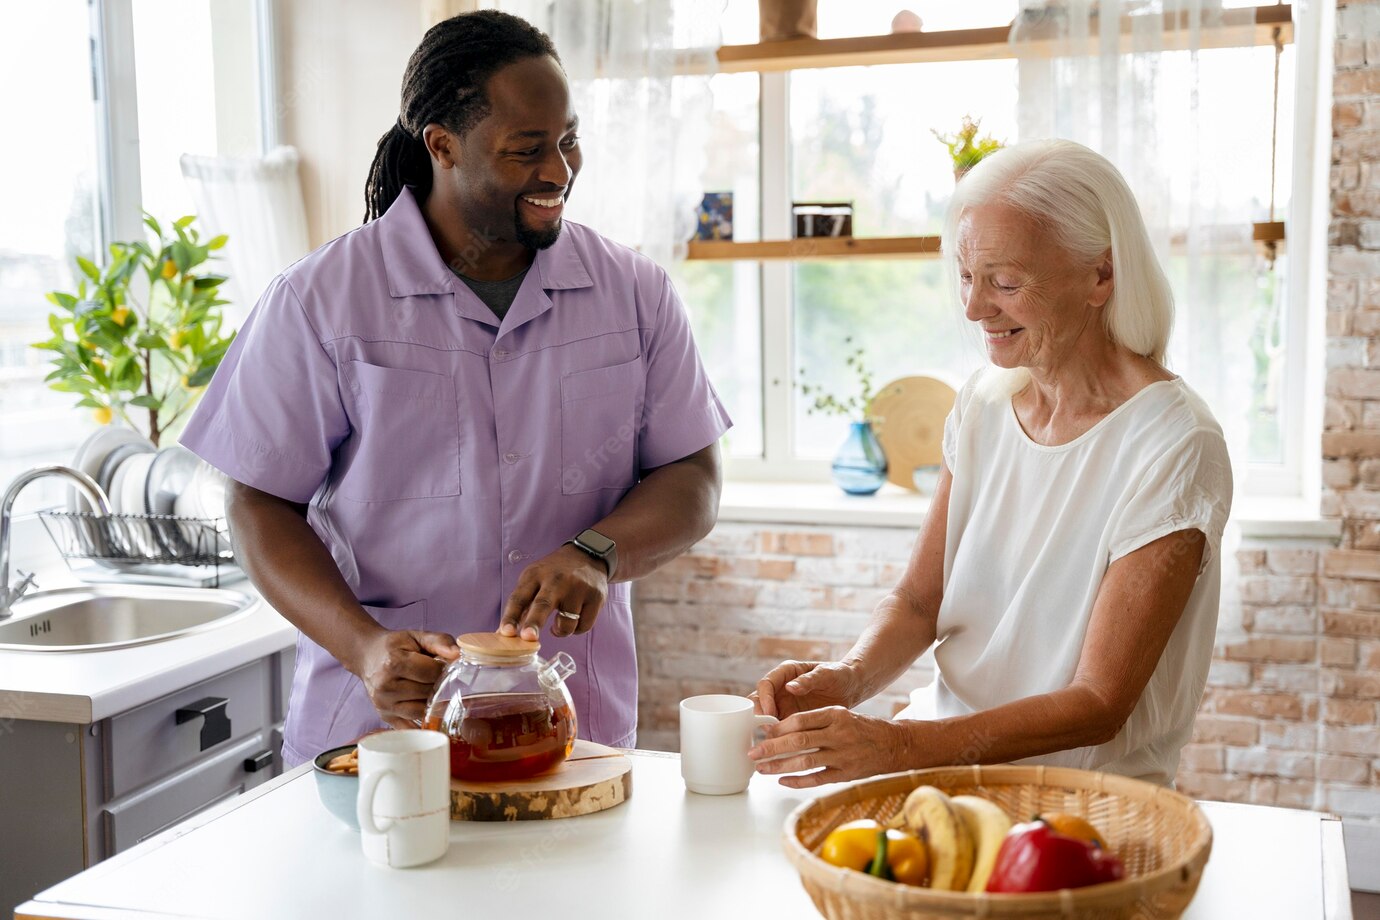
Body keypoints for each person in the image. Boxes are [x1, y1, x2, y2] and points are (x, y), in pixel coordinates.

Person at [180, 10, 730, 767]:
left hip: (575, 730)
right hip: (381, 738)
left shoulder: (634, 293)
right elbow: (256, 500)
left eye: (568, 140)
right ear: (442, 145)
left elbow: (692, 476)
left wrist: (595, 554)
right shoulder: (323, 301)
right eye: (526, 150)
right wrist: (364, 646)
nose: (560, 170)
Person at [750, 139, 1232, 788]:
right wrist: (848, 678)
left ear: (1101, 276)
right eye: (967, 277)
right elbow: (921, 601)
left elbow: (1100, 704)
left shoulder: (1175, 444)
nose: (975, 308)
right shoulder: (982, 403)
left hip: (1080, 807)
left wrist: (898, 747)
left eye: (1006, 282)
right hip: (942, 774)